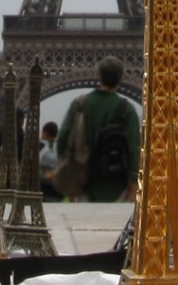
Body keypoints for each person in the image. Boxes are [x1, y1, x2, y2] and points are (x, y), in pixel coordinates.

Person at [56, 57, 140, 204]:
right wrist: (133, 185)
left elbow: (63, 139)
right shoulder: (127, 110)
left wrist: (69, 172)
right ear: (121, 78)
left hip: (84, 183)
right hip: (117, 186)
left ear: (99, 76)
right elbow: (134, 149)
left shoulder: (79, 105)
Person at [39, 120, 62, 199]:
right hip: (57, 185)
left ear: (45, 132)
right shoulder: (60, 147)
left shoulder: (40, 146)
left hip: (43, 185)